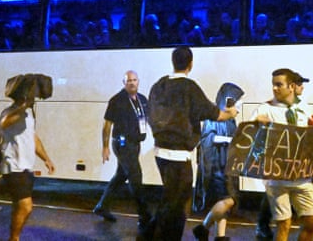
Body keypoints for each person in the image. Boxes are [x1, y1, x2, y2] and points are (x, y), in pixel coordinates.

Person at [146, 46, 239, 241]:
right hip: (179, 155)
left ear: (173, 61)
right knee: (178, 206)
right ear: (190, 64)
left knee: (169, 199)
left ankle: (149, 235)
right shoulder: (190, 87)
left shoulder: (159, 85)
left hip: (160, 152)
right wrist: (230, 113)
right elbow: (214, 114)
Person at [252, 68, 313, 241]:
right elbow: (247, 133)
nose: (275, 88)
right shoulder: (265, 109)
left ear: (291, 86)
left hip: (301, 175)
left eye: (279, 85)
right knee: (284, 224)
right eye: (273, 85)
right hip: (277, 177)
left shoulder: (303, 108)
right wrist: (256, 124)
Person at [93, 70, 152, 237]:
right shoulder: (117, 101)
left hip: (135, 144)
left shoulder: (142, 100)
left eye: (134, 80)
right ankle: (144, 215)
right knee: (136, 177)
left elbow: (148, 120)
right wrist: (105, 147)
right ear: (123, 83)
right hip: (122, 144)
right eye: (128, 81)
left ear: (138, 81)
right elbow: (107, 126)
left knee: (120, 176)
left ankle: (102, 206)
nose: (132, 83)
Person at [0, 81, 55, 241]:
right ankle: (14, 238)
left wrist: (46, 159)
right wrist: (24, 106)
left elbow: (33, 138)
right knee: (26, 206)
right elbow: (4, 123)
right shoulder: (9, 112)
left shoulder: (28, 115)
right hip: (13, 167)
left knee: (19, 206)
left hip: (26, 167)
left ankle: (13, 237)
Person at [192, 82, 245, 241]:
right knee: (228, 200)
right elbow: (208, 140)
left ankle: (220, 235)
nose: (238, 108)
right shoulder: (213, 118)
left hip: (227, 164)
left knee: (223, 201)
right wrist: (230, 140)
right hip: (217, 165)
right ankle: (203, 227)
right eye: (236, 104)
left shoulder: (230, 121)